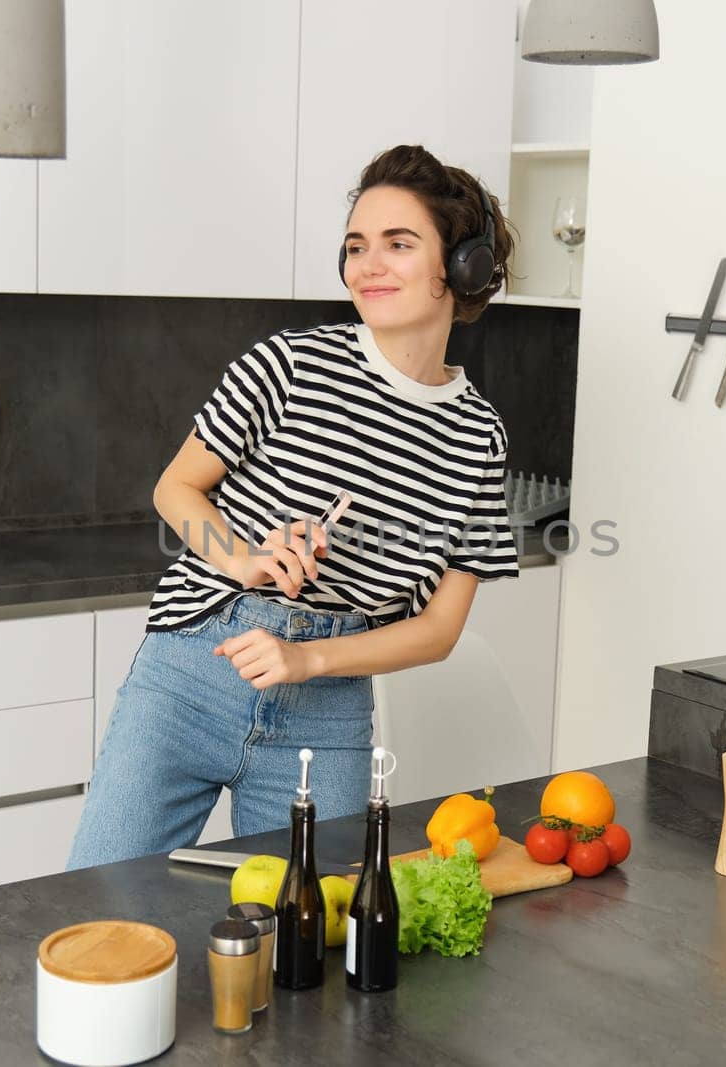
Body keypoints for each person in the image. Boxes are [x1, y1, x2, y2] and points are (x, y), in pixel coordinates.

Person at [66, 144, 520, 869]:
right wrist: (244, 560)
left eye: (398, 244)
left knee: (310, 937)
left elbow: (438, 629)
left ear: (461, 265)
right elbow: (175, 488)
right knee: (102, 902)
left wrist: (308, 656)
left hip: (329, 706)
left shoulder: (479, 438)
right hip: (191, 670)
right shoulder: (287, 365)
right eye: (355, 246)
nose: (368, 264)